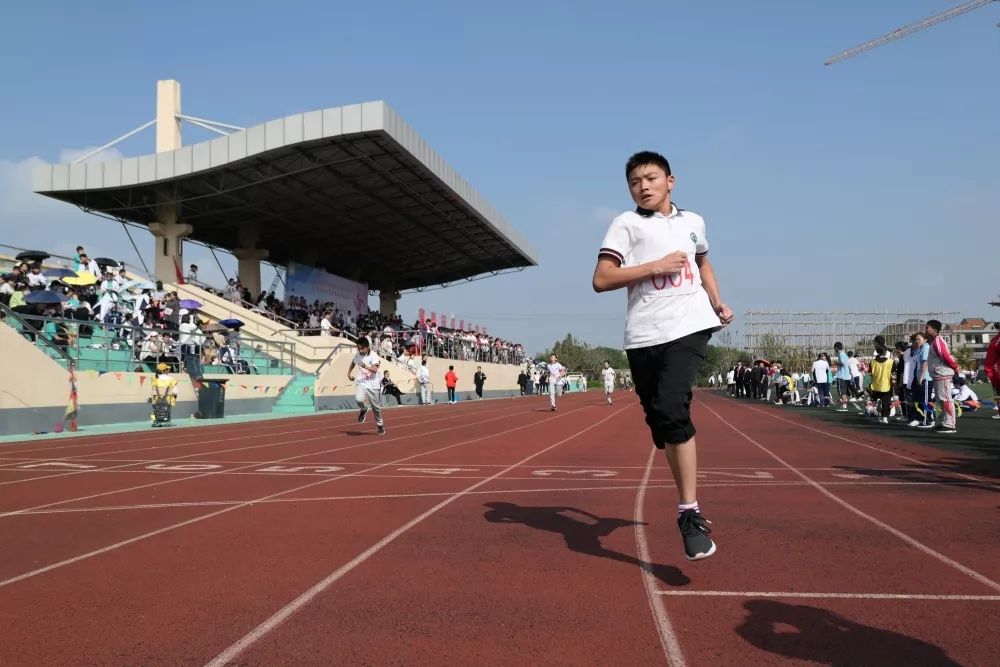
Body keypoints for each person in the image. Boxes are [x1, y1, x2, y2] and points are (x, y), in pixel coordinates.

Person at [592, 150, 733, 561]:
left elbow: (703, 262)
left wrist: (716, 300)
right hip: (643, 336)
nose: (643, 187)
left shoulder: (694, 222)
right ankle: (665, 427)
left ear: (670, 181)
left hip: (690, 325)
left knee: (673, 410)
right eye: (635, 182)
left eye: (651, 178)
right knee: (661, 419)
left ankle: (690, 513)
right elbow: (602, 278)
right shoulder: (626, 224)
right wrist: (654, 266)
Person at [924, 319, 959, 433]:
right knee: (940, 400)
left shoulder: (938, 341)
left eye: (927, 327)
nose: (925, 329)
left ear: (934, 330)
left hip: (942, 373)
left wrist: (955, 367)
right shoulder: (934, 341)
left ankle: (950, 424)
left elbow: (945, 356)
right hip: (938, 374)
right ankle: (942, 422)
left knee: (945, 399)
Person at [347, 337, 385, 436]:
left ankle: (380, 425)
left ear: (367, 347)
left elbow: (375, 370)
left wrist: (364, 366)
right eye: (358, 348)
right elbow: (353, 362)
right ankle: (364, 409)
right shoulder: (357, 355)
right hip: (362, 382)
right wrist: (349, 373)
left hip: (373, 384)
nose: (360, 351)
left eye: (362, 349)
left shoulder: (373, 355)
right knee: (359, 399)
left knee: (376, 408)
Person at [868, 341, 894, 424]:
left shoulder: (872, 362)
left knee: (874, 398)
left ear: (877, 351)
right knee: (886, 402)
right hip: (887, 385)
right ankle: (885, 417)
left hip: (875, 385)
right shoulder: (890, 361)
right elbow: (893, 374)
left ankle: (877, 407)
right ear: (885, 352)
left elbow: (870, 373)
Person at [149, 362, 179, 427]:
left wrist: (150, 398)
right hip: (168, 398)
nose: (168, 370)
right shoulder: (171, 379)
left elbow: (151, 390)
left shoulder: (154, 379)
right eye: (167, 369)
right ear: (164, 370)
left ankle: (156, 422)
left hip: (156, 398)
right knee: (168, 410)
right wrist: (175, 396)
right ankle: (167, 422)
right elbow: (175, 392)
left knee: (156, 410)